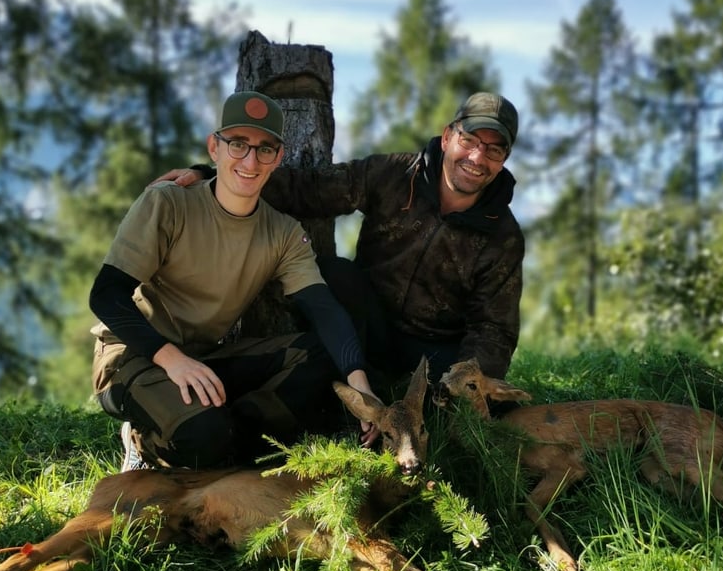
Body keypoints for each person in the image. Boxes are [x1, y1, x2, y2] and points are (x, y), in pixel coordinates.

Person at [90, 90, 378, 471]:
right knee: (205, 437)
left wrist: (360, 385)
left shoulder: (283, 233)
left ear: (277, 158)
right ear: (215, 147)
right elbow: (106, 295)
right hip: (132, 356)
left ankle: (226, 433)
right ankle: (143, 442)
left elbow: (324, 311)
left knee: (321, 355)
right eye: (238, 145)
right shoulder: (169, 203)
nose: (250, 160)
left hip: (204, 358)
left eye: (264, 149)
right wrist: (172, 360)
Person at [160, 92, 524, 385]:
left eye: (494, 150)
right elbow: (312, 189)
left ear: (504, 159)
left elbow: (494, 329)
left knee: (450, 397)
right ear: (448, 137)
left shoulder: (502, 235)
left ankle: (406, 402)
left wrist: (464, 387)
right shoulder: (395, 174)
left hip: (431, 352)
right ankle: (351, 381)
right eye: (470, 140)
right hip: (367, 324)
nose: (478, 157)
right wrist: (214, 174)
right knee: (334, 274)